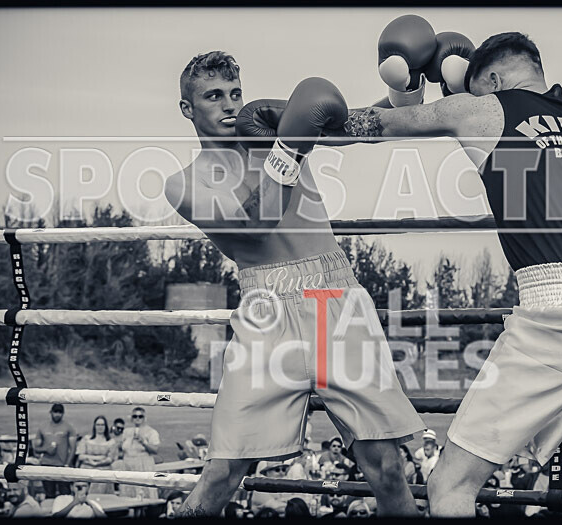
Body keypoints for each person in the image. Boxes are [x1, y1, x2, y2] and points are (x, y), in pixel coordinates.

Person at [331, 28, 562, 518]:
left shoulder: (481, 109)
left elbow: (362, 126)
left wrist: (405, 91)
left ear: (490, 79)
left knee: (450, 485)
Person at [164, 51, 425, 518]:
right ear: (188, 109)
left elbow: (364, 126)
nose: (229, 105)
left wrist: (406, 89)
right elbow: (252, 229)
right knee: (222, 473)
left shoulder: (274, 130)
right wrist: (289, 149)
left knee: (385, 468)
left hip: (335, 300)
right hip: (265, 312)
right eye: (213, 96)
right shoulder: (184, 184)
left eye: (235, 93)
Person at [33, 403, 76, 498]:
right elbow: (36, 448)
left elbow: (73, 448)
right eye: (55, 412)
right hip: (46, 465)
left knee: (65, 495)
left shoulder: (68, 427)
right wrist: (46, 450)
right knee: (49, 494)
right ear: (51, 412)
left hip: (62, 465)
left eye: (60, 412)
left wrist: (67, 464)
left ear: (63, 413)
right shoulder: (43, 427)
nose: (57, 414)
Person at [119, 406, 161, 499]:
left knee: (144, 494)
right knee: (128, 494)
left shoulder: (151, 432)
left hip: (143, 465)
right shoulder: (126, 431)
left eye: (140, 416)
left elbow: (155, 450)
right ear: (131, 418)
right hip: (128, 466)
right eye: (135, 416)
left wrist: (144, 442)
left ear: (144, 418)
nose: (137, 418)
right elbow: (122, 449)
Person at [75, 415, 118, 493]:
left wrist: (99, 463)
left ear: (106, 426)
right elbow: (80, 456)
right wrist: (97, 458)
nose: (100, 427)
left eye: (102, 425)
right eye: (98, 425)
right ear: (94, 426)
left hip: (103, 472)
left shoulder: (111, 442)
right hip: (86, 470)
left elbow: (110, 458)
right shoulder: (86, 439)